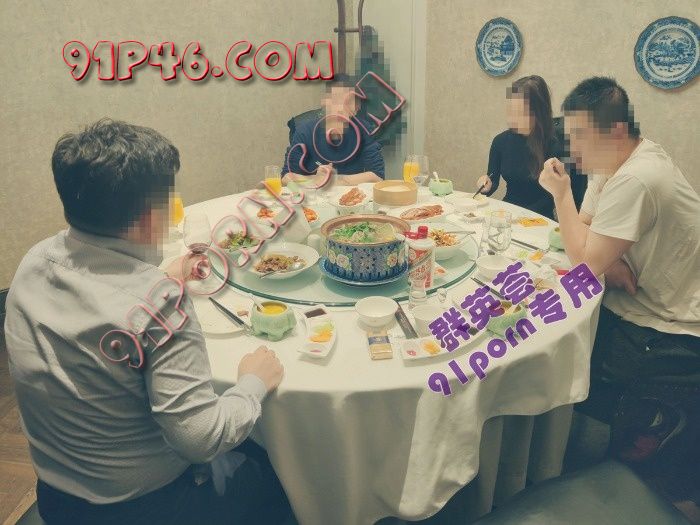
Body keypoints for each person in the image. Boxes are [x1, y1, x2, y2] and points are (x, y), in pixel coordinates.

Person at [4, 119, 290, 524]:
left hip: (57, 497)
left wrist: (155, 278)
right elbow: (201, 438)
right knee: (279, 474)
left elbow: (100, 302)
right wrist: (252, 382)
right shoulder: (162, 305)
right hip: (146, 508)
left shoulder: (33, 260)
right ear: (148, 216)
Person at [538, 77, 700, 507]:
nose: (572, 149)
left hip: (672, 324)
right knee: (567, 337)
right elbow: (586, 229)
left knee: (577, 359)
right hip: (641, 297)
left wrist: (561, 194)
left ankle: (630, 459)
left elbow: (584, 260)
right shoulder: (611, 162)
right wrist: (608, 260)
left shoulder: (638, 177)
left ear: (615, 131)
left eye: (580, 136)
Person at [477, 75, 561, 219]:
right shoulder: (500, 141)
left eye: (520, 112)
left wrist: (520, 216)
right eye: (511, 110)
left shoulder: (555, 145)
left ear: (539, 112)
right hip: (508, 213)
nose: (512, 118)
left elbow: (554, 197)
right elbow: (493, 181)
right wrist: (486, 185)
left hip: (540, 219)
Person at [281, 74, 384, 187]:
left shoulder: (364, 130)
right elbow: (286, 177)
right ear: (324, 102)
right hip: (315, 195)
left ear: (356, 109)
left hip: (351, 196)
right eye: (336, 99)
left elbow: (378, 176)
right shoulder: (305, 131)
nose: (341, 107)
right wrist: (315, 179)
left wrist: (336, 180)